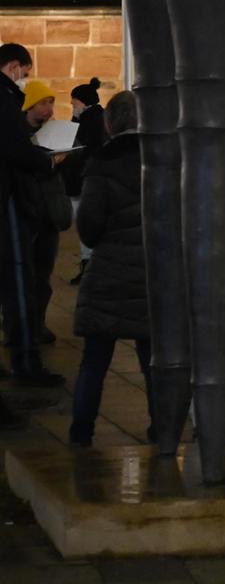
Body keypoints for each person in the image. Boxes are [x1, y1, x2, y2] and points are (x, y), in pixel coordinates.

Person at [69, 91, 153, 446]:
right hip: (153, 273)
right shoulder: (165, 159)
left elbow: (89, 226)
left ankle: (81, 433)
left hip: (109, 273)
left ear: (109, 123)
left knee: (94, 360)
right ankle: (162, 428)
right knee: (154, 362)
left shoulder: (102, 162)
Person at [0, 45, 63, 399]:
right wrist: (46, 163)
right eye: (23, 73)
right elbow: (15, 149)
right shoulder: (5, 97)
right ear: (12, 67)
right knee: (20, 278)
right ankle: (26, 361)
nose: (24, 81)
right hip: (9, 201)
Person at [16, 80, 71, 348]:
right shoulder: (17, 135)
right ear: (29, 106)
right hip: (26, 212)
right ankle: (18, 326)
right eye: (43, 103)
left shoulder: (55, 133)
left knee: (43, 274)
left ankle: (37, 323)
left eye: (51, 102)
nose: (49, 108)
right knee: (22, 273)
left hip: (48, 213)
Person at [63, 77, 106, 286]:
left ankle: (89, 267)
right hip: (85, 179)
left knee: (85, 224)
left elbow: (81, 150)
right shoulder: (94, 118)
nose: (72, 105)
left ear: (83, 101)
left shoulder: (90, 121)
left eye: (74, 101)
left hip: (84, 179)